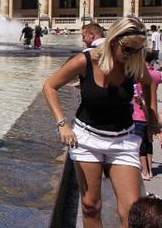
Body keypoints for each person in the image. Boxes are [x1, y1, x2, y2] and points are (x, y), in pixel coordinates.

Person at [43, 18, 159, 227]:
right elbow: (50, 86)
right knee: (90, 205)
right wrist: (62, 124)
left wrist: (153, 117)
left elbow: (149, 83)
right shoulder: (86, 60)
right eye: (128, 49)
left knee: (131, 211)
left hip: (123, 141)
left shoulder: (133, 62)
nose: (132, 55)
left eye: (138, 50)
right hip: (87, 139)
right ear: (113, 40)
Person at [135, 51, 162, 180]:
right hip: (151, 113)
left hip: (138, 114)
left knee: (141, 144)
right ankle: (151, 170)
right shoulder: (156, 74)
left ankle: (144, 171)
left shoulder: (138, 74)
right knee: (149, 143)